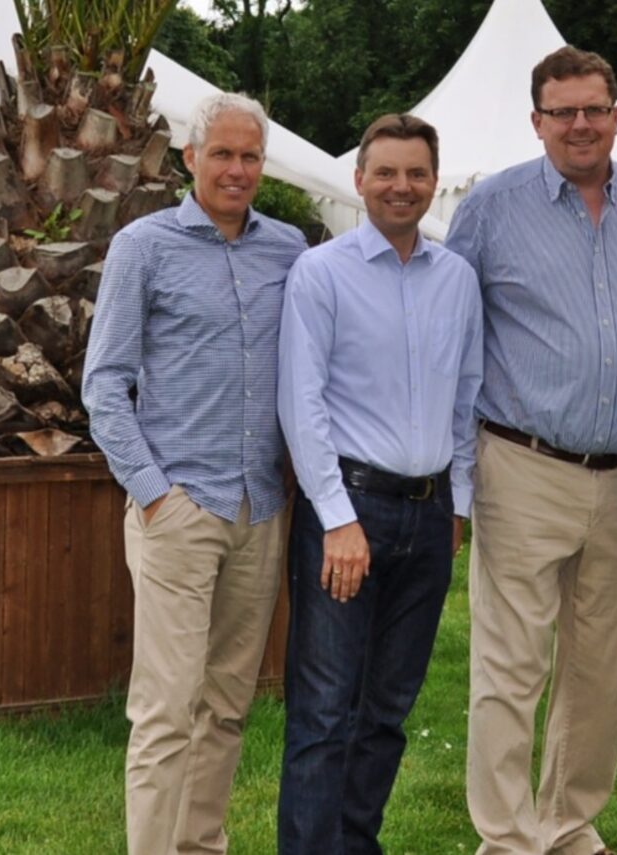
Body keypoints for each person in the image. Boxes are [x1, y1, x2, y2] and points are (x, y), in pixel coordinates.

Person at [445, 45, 617, 855]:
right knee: (511, 669)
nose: (580, 125)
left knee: (603, 672)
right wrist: (454, 475)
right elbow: (452, 337)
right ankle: (507, 839)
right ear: (537, 121)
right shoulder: (490, 209)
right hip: (521, 465)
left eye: (594, 109)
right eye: (563, 112)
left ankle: (567, 822)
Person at [83, 92, 307, 855]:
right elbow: (104, 385)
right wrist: (154, 495)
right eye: (223, 154)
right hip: (179, 509)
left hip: (261, 509)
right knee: (166, 709)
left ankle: (200, 845)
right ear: (190, 157)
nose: (237, 170)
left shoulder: (291, 250)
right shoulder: (143, 246)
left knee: (228, 705)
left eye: (250, 156)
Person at [276, 113, 483, 855]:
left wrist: (457, 506)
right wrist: (336, 517)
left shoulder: (456, 279)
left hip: (428, 519)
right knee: (326, 712)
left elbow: (466, 396)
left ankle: (356, 843)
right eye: (386, 172)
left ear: (434, 181)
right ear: (359, 180)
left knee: (389, 710)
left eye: (416, 173)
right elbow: (301, 404)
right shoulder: (321, 273)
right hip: (347, 511)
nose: (402, 186)